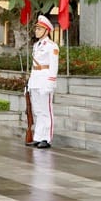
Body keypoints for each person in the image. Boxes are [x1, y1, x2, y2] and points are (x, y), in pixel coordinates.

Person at [27, 14, 59, 149]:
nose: (36, 31)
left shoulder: (52, 46)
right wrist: (29, 84)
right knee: (38, 110)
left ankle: (46, 138)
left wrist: (50, 83)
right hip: (35, 80)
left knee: (46, 111)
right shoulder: (36, 45)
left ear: (47, 31)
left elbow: (53, 66)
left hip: (45, 80)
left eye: (39, 29)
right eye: (36, 29)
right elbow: (34, 67)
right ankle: (38, 137)